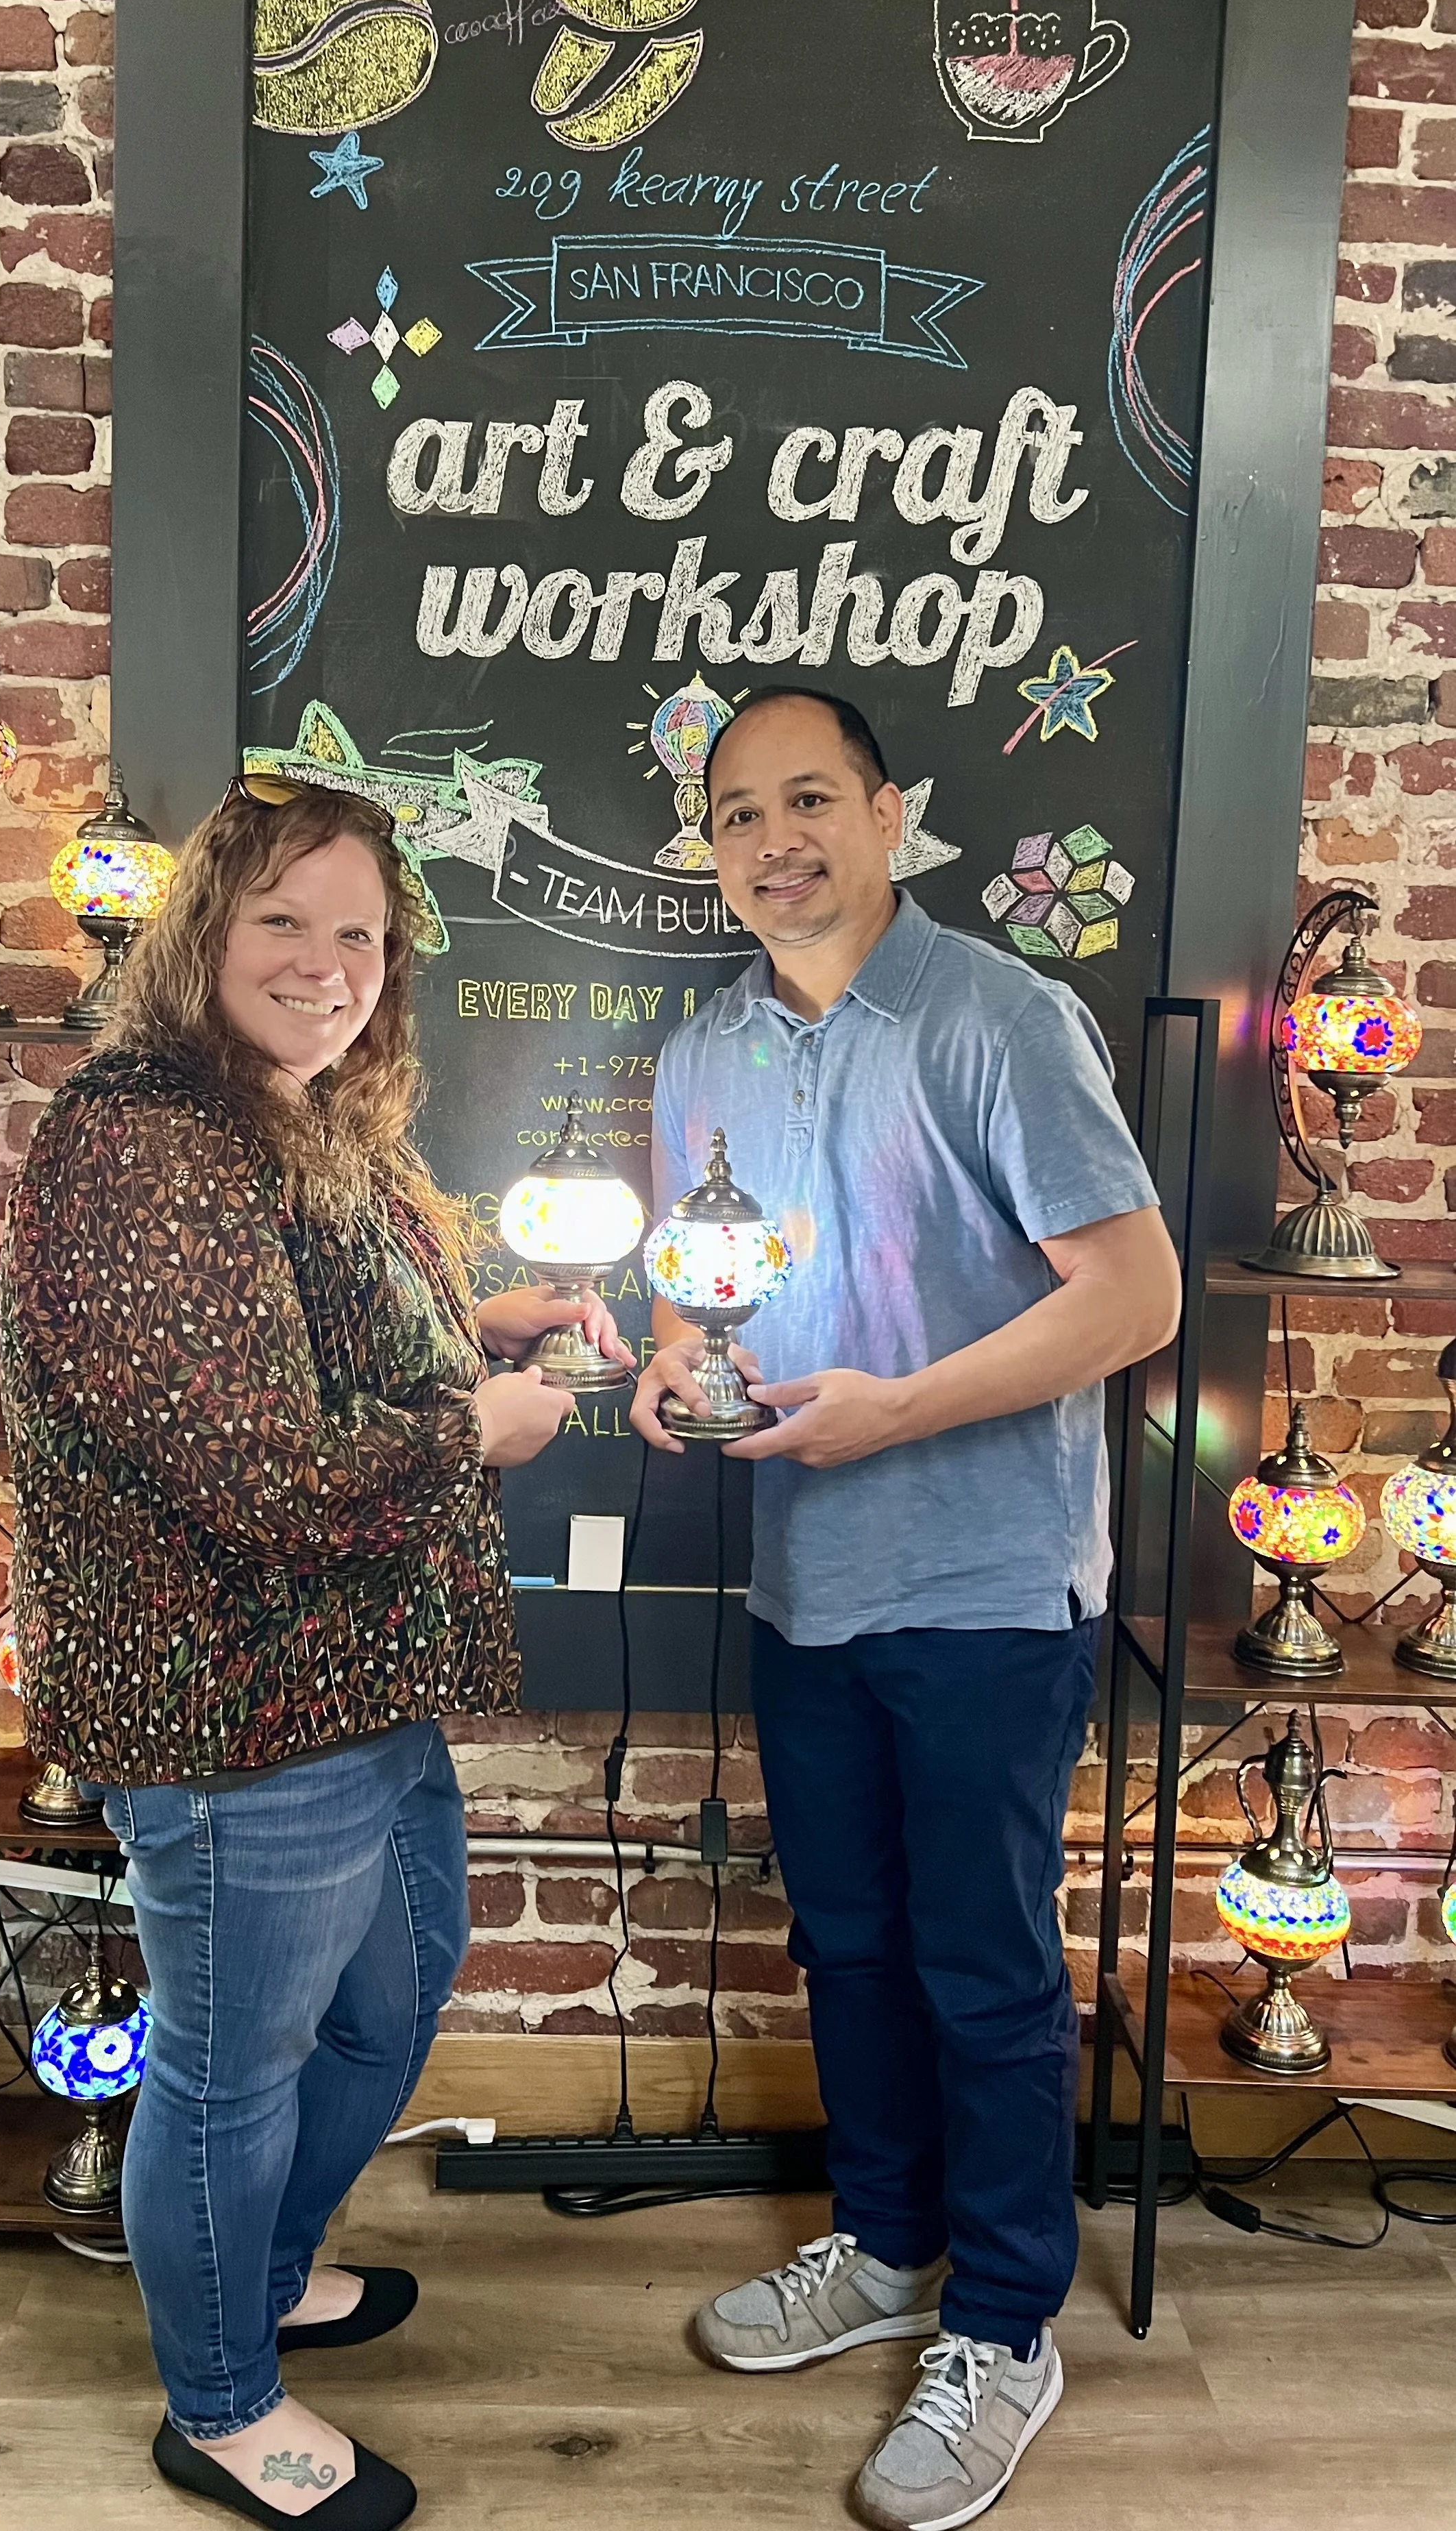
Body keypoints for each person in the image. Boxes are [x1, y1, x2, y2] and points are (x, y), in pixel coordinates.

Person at [1, 783, 628, 2531]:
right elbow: (256, 1458)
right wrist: (479, 1428)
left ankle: (260, 2271)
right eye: (288, 918)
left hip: (357, 1676)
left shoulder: (293, 1119)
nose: (328, 962)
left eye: (362, 933)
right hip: (230, 1700)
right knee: (231, 2063)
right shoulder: (144, 1133)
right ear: (207, 925)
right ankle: (217, 2404)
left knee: (395, 1988)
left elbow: (313, 1337)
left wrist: (474, 1322)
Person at [632, 689, 1181, 2531]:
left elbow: (1132, 1299)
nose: (771, 841)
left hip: (985, 1585)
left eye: (807, 802)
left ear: (887, 816)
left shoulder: (996, 1018)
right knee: (852, 1948)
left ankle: (1005, 2322)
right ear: (706, 850)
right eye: (733, 817)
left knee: (982, 1968)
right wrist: (670, 1366)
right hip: (808, 1585)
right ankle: (879, 2245)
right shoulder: (701, 1054)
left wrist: (892, 1411)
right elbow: (703, 1292)